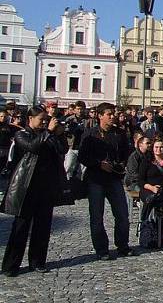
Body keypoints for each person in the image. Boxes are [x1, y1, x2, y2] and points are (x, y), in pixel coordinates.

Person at [1, 107, 67, 277]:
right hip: (25, 187)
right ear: (30, 118)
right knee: (20, 228)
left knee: (42, 227)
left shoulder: (48, 135)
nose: (44, 122)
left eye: (46, 119)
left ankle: (37, 261)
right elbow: (33, 147)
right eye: (41, 119)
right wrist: (49, 132)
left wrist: (59, 134)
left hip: (45, 187)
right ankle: (11, 265)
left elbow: (62, 149)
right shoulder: (22, 134)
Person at [78, 102, 135, 260]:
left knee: (122, 215)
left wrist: (121, 164)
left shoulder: (119, 133)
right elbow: (82, 156)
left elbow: (126, 153)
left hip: (114, 179)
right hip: (95, 179)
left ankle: (122, 245)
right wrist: (98, 164)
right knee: (97, 216)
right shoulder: (90, 134)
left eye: (113, 114)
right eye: (109, 114)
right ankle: (101, 249)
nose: (112, 116)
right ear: (100, 115)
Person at [138, 137, 163, 222]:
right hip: (148, 189)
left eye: (161, 147)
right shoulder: (146, 161)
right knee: (151, 198)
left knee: (158, 198)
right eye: (156, 147)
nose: (158, 149)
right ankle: (145, 222)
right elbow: (141, 180)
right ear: (152, 148)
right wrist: (152, 188)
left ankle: (152, 223)